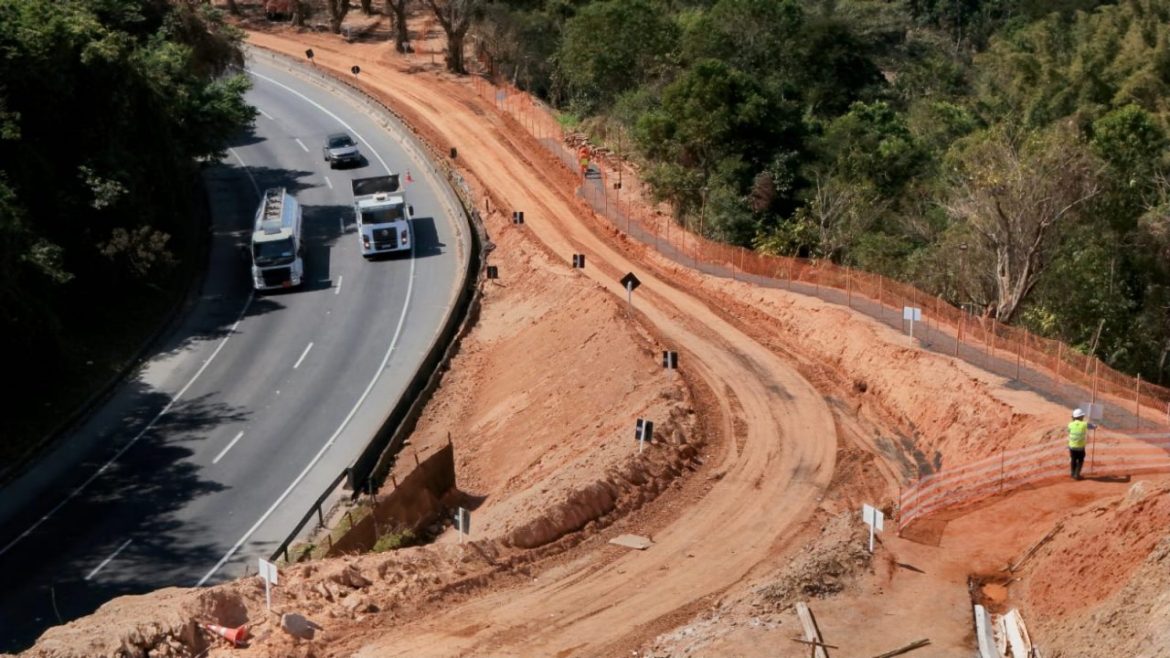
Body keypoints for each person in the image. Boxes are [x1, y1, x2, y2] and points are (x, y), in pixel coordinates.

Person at [1067, 408, 1096, 480]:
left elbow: (1069, 431)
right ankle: (1077, 474)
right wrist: (1093, 424)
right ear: (1080, 417)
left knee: (1073, 459)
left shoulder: (1070, 424)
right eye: (1082, 416)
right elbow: (1093, 427)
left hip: (1072, 446)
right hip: (1080, 447)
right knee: (1080, 460)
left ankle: (1072, 473)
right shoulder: (1084, 424)